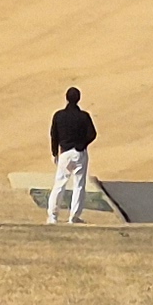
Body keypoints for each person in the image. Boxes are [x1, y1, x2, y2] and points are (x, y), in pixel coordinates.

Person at [46, 86, 98, 224]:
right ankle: (74, 216)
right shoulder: (84, 116)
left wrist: (54, 152)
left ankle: (53, 216)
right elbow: (92, 134)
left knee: (59, 184)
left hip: (64, 153)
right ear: (79, 99)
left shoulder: (59, 115)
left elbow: (54, 135)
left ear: (66, 98)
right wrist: (82, 145)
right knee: (79, 185)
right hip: (80, 154)